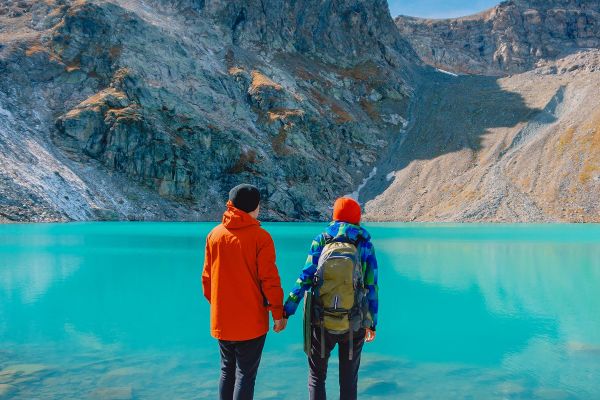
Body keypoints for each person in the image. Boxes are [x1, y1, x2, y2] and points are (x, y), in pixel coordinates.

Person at [283, 197, 378, 400]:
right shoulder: (365, 244)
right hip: (354, 323)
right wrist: (372, 323)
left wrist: (287, 309)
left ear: (334, 216)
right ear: (357, 218)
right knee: (348, 379)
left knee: (317, 377)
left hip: (321, 321)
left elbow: (305, 277)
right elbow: (371, 286)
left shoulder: (322, 239)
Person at [202, 184, 286, 400]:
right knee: (245, 375)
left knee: (226, 370)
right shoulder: (261, 237)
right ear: (254, 207)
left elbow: (207, 280)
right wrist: (278, 313)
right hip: (251, 322)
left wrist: (219, 307)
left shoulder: (214, 235)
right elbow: (269, 281)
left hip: (222, 320)